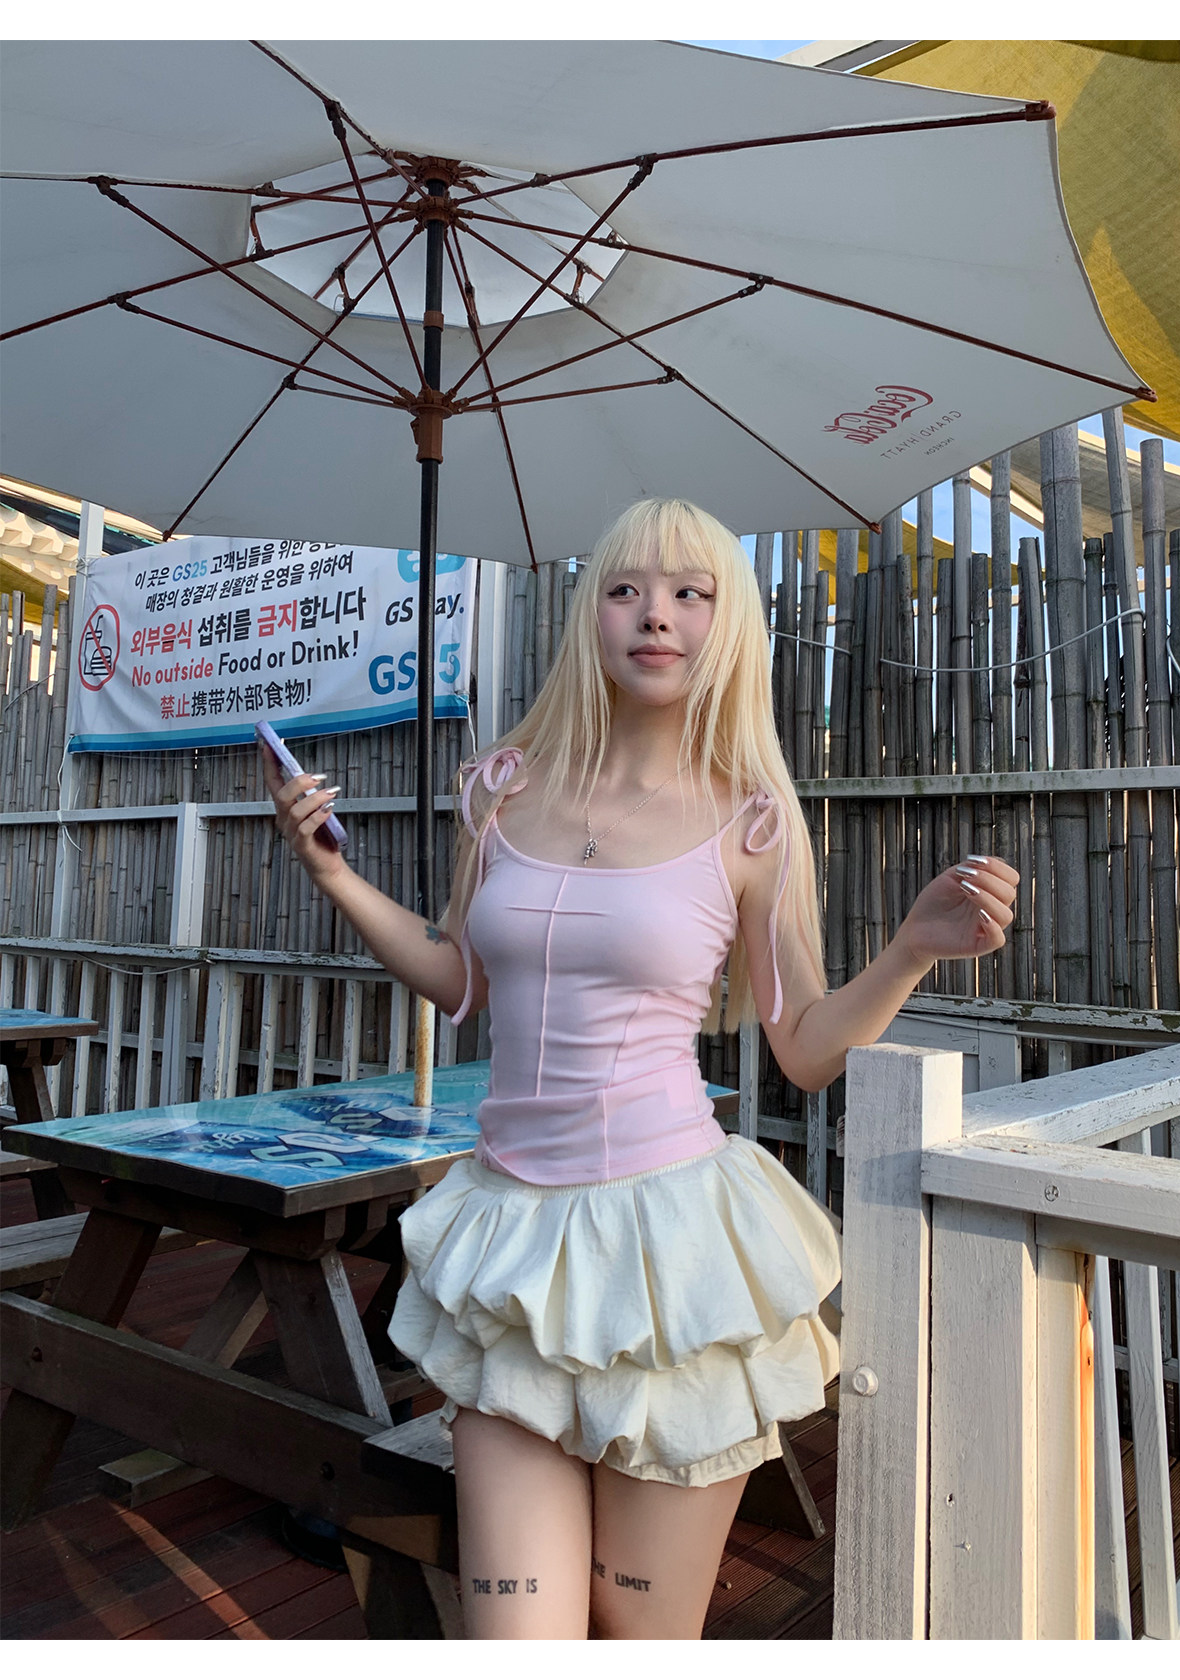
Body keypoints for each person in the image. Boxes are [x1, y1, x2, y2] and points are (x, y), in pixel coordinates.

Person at [262, 498, 1018, 1640]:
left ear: (727, 622)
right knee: (518, 1639)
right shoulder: (501, 787)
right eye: (625, 590)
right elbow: (461, 979)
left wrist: (912, 949)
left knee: (637, 1636)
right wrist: (334, 879)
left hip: (672, 1263)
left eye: (688, 593)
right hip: (510, 1250)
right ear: (592, 617)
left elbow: (805, 1049)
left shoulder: (752, 822)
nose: (654, 615)